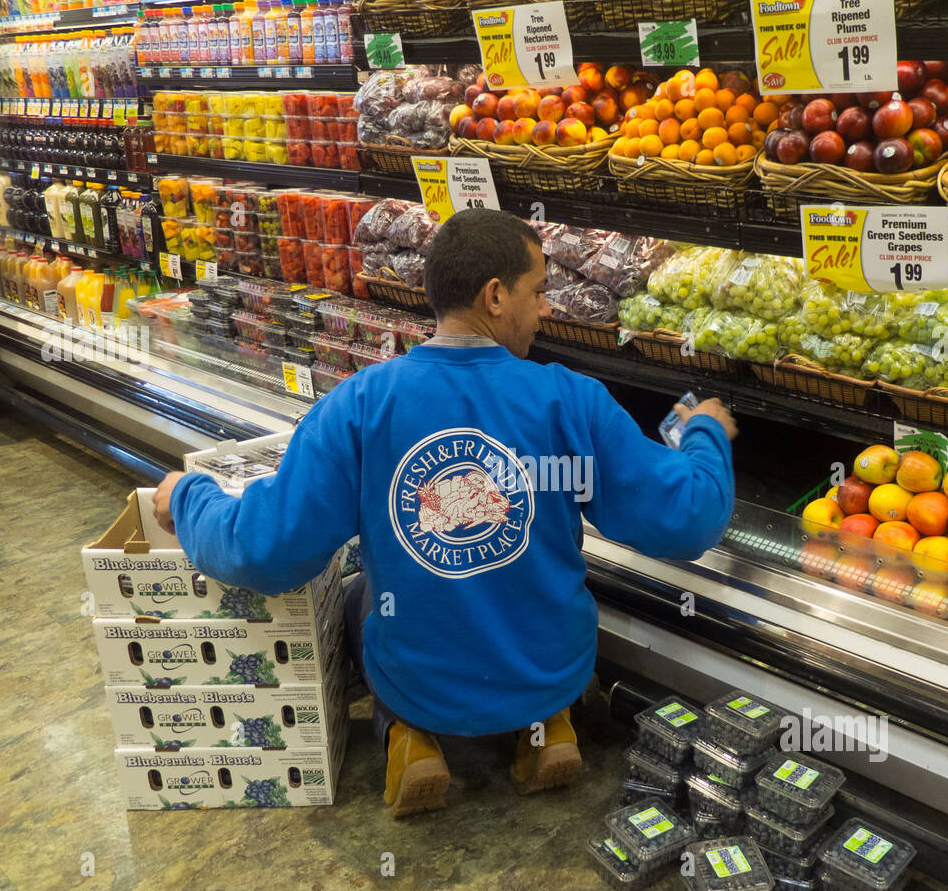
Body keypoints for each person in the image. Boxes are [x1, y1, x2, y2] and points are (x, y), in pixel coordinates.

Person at [154, 209, 737, 817]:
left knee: (361, 595)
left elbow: (266, 550)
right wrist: (704, 436)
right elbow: (688, 519)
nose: (545, 310)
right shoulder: (569, 399)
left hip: (424, 684)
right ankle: (547, 728)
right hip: (553, 670)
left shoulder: (359, 405)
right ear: (494, 296)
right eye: (537, 292)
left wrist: (189, 499)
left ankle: (411, 738)